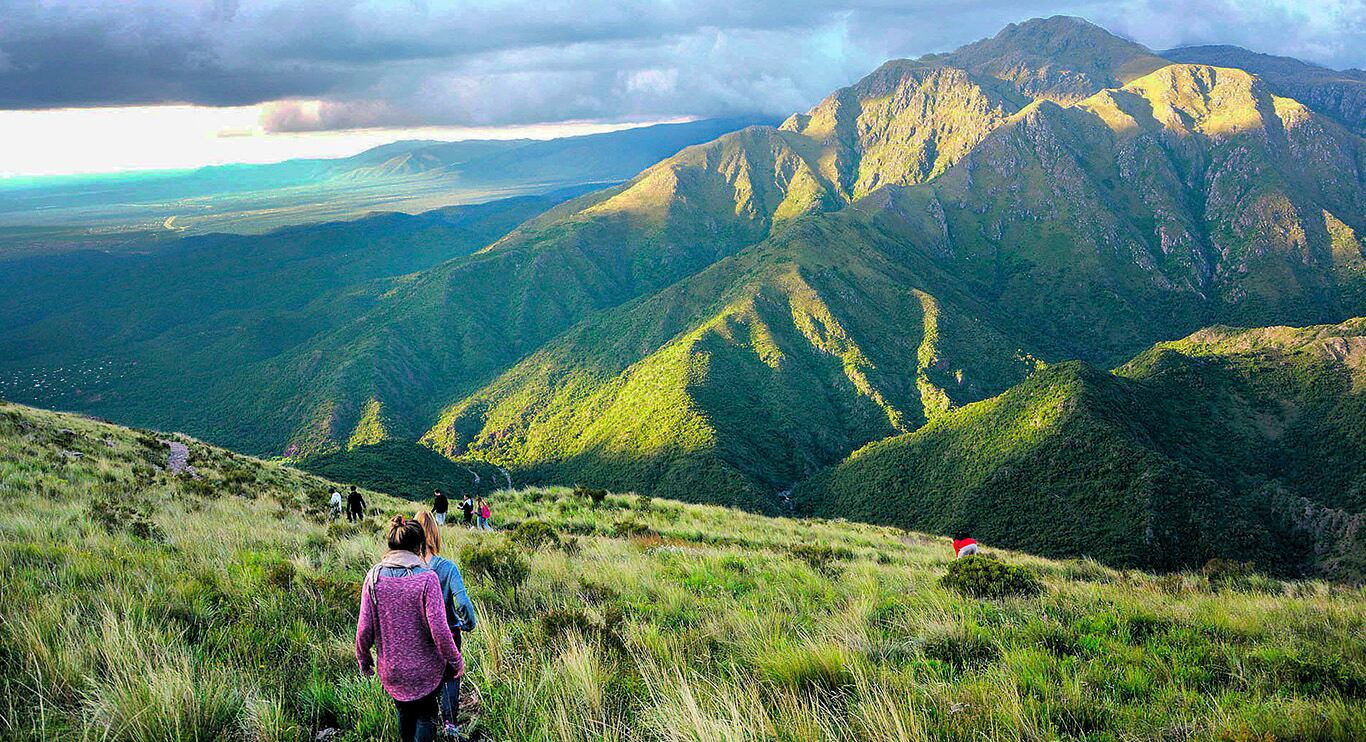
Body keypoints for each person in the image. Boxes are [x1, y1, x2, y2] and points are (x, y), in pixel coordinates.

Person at [356, 516, 464, 742]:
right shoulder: (427, 579)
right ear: (420, 546)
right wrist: (456, 661)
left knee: (404, 712)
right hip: (426, 671)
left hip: (392, 671)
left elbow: (364, 628)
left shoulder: (373, 578)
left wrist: (364, 661)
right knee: (426, 717)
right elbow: (440, 631)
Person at [414, 511, 477, 739]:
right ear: (436, 535)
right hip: (449, 631)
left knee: (426, 682)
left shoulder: (408, 570)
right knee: (452, 677)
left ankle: (426, 726)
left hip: (419, 636)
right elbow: (464, 603)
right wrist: (468, 623)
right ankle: (451, 724)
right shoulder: (448, 568)